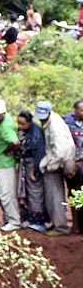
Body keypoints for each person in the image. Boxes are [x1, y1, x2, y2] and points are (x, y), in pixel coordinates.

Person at [34, 101, 73, 235]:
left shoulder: (54, 126)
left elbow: (60, 150)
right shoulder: (51, 120)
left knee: (55, 196)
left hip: (56, 164)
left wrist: (50, 165)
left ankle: (60, 227)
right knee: (53, 195)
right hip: (56, 161)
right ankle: (56, 223)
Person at [0, 99, 22, 232]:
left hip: (4, 164)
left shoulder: (5, 126)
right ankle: (8, 219)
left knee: (6, 193)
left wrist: (5, 151)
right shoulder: (0, 122)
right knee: (3, 193)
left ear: (4, 113)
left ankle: (14, 221)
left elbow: (14, 142)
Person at [16, 110, 49, 232]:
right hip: (24, 165)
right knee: (27, 193)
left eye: (22, 124)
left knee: (36, 193)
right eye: (18, 123)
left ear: (29, 122)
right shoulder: (23, 131)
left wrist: (33, 170)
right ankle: (29, 219)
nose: (20, 126)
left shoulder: (36, 133)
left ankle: (39, 221)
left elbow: (39, 152)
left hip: (33, 165)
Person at [64, 100, 83, 234]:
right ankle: (75, 225)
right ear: (75, 110)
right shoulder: (66, 123)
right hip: (73, 162)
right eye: (81, 110)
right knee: (73, 193)